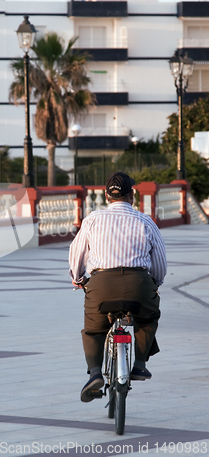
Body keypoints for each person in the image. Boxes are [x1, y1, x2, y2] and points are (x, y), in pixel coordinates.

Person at [69, 171, 167, 403]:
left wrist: (78, 278)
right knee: (148, 318)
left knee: (94, 330)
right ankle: (140, 364)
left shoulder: (93, 219)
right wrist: (154, 284)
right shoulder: (146, 221)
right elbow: (160, 264)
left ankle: (94, 374)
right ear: (131, 195)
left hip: (101, 285)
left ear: (106, 195)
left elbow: (76, 256)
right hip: (139, 284)